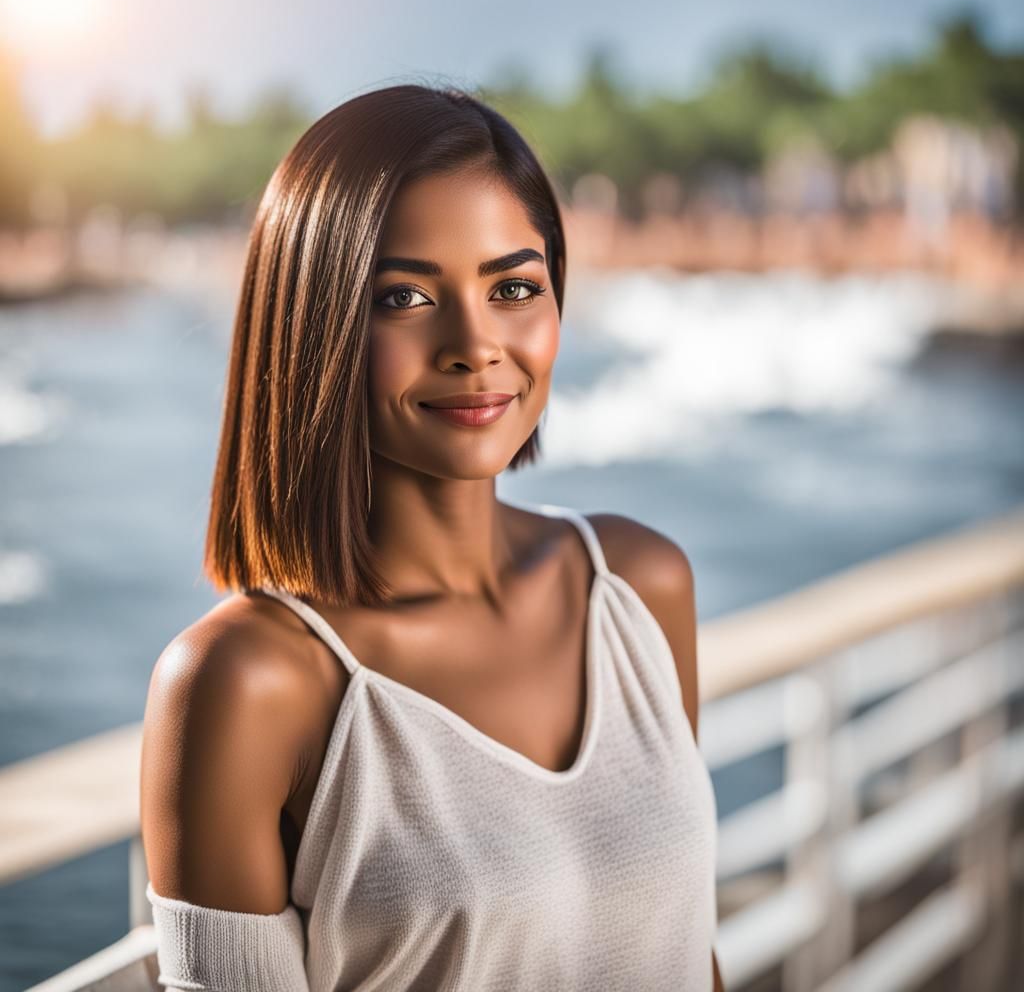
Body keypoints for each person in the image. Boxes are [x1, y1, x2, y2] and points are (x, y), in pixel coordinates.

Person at [140, 83, 724, 991]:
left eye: (515, 287)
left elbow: (693, 956)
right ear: (313, 324)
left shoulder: (642, 587)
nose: (476, 343)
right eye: (405, 296)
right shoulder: (248, 683)